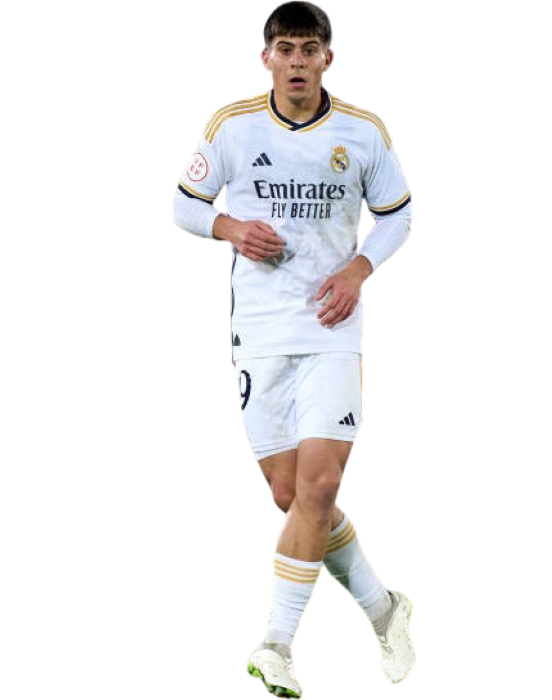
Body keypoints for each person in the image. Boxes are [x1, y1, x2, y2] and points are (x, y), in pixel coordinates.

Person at [172, 2, 415, 697]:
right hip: (260, 333)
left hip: (333, 330)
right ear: (266, 59)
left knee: (320, 485)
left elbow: (398, 217)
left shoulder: (364, 132)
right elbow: (183, 204)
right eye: (286, 49)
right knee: (290, 495)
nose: (298, 61)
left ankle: (277, 645)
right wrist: (228, 227)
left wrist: (358, 269)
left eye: (311, 49)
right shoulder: (232, 125)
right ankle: (384, 609)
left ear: (328, 59)